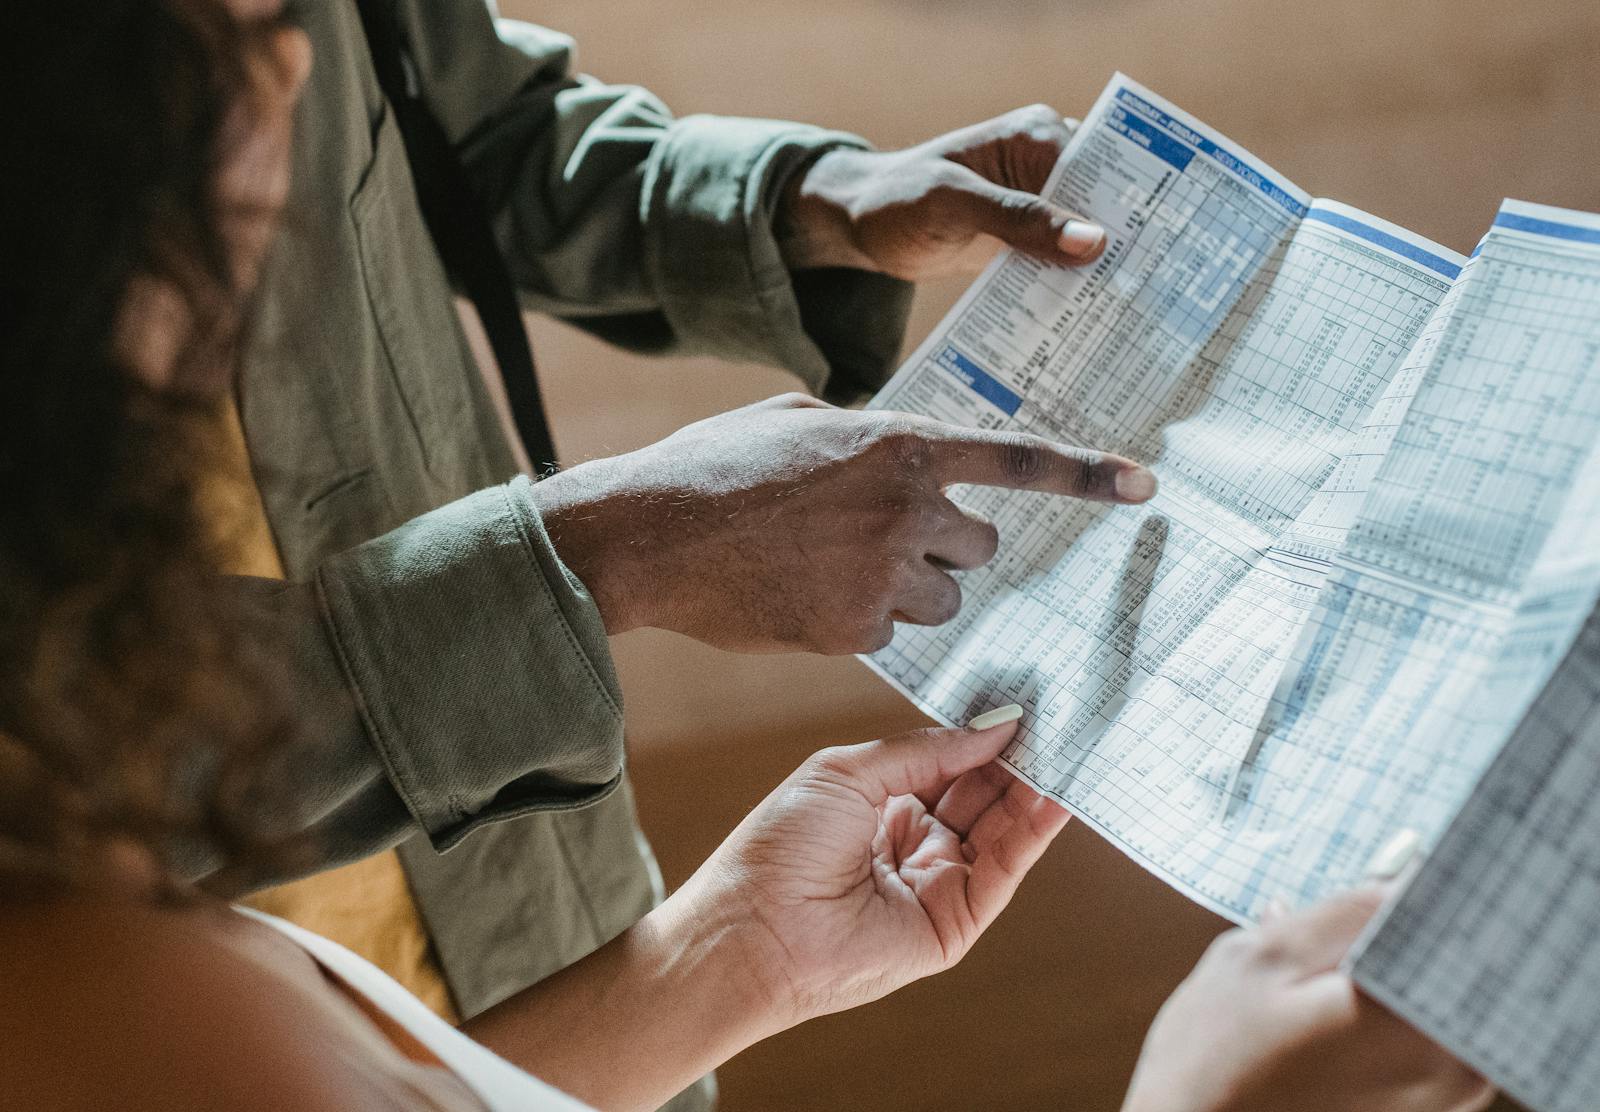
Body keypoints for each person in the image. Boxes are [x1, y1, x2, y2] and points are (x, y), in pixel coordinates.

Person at [0, 2, 1495, 1110]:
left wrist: (728, 964)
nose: (295, 71)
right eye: (252, 35)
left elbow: (452, 105)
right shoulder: (134, 991)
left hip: (530, 944)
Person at [157, 0, 1168, 1086]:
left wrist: (809, 200)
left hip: (526, 904)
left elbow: (461, 123)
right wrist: (615, 546)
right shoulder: (111, 992)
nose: (290, 71)